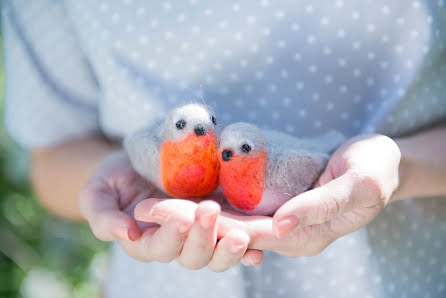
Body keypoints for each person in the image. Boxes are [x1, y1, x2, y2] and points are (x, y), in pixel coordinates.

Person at [2, 0, 446, 297]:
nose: (216, 152)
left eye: (213, 136)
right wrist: (120, 185)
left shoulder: (286, 162)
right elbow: (53, 155)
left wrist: (402, 168)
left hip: (398, 275)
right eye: (222, 151)